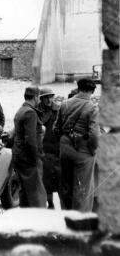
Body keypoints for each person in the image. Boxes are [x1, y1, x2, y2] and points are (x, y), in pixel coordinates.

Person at [53, 78, 100, 212]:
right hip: (83, 151)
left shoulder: (64, 104)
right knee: (83, 189)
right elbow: (95, 135)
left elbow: (56, 129)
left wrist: (64, 144)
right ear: (92, 90)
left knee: (66, 186)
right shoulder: (92, 107)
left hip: (65, 149)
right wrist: (92, 150)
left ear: (78, 88)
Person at [12, 86, 47, 208]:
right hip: (29, 158)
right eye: (39, 98)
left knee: (24, 191)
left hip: (19, 156)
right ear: (36, 97)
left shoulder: (20, 110)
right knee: (36, 192)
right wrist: (35, 159)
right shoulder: (30, 113)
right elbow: (30, 140)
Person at [38, 88, 61, 209]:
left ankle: (61, 204)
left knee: (59, 177)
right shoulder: (37, 110)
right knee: (46, 179)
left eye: (50, 97)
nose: (48, 99)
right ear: (41, 98)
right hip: (44, 148)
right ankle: (50, 202)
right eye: (45, 97)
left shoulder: (59, 109)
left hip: (57, 148)